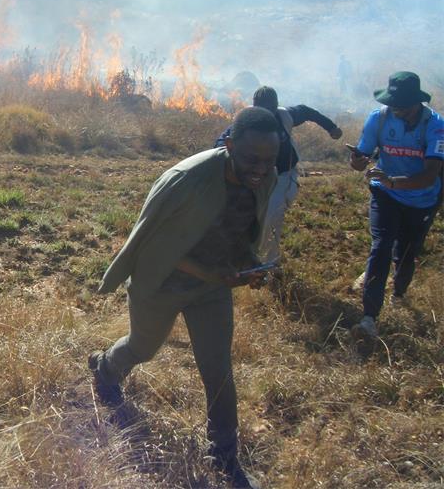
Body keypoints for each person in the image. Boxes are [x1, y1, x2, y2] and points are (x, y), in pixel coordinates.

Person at [89, 107, 280, 489]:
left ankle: (223, 454)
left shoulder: (264, 177)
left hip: (210, 290)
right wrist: (214, 274)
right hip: (161, 283)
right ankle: (105, 367)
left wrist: (248, 264)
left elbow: (242, 233)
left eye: (269, 159)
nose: (261, 169)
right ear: (229, 145)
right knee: (143, 348)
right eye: (252, 159)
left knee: (218, 369)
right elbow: (153, 247)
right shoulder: (187, 180)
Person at [349, 71, 443, 339]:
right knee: (381, 247)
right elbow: (361, 159)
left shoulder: (436, 126)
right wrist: (357, 161)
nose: (395, 109)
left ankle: (398, 293)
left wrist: (393, 181)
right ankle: (369, 317)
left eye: (401, 105)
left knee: (406, 254)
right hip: (385, 195)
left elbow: (430, 175)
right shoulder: (378, 119)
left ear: (416, 102)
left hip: (422, 200)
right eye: (392, 104)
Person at [216, 87, 343, 262]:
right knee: (249, 217)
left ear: (276, 106)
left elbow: (307, 111)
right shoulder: (248, 120)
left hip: (283, 175)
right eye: (262, 109)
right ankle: (246, 257)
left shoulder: (284, 116)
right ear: (255, 106)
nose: (266, 114)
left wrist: (331, 127)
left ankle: (269, 263)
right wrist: (224, 153)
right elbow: (223, 140)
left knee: (271, 216)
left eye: (270, 109)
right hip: (256, 179)